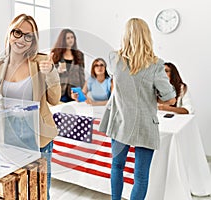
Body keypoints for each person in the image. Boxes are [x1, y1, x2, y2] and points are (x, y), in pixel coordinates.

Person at [0, 14, 61, 199]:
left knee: (39, 192)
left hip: (39, 139)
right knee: (15, 192)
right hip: (8, 139)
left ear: (33, 40)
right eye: (18, 32)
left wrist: (51, 73)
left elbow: (54, 100)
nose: (22, 39)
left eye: (28, 35)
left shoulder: (41, 62)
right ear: (10, 33)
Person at [99, 18, 176, 200]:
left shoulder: (113, 58)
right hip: (144, 123)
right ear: (147, 37)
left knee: (117, 166)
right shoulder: (156, 64)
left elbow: (117, 79)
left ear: (125, 36)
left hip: (120, 121)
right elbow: (170, 99)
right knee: (140, 176)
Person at [51, 29, 85, 102]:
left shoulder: (79, 54)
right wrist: (58, 70)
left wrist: (82, 90)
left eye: (72, 37)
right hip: (60, 90)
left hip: (74, 90)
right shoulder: (55, 54)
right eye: (68, 38)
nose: (70, 40)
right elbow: (50, 72)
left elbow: (81, 74)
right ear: (63, 40)